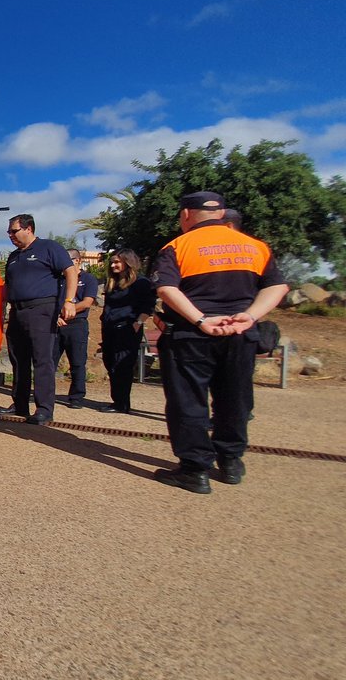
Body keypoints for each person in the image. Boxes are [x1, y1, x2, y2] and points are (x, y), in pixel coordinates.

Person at [152, 191, 288, 494]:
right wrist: (249, 316)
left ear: (186, 214)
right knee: (235, 398)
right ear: (222, 213)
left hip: (190, 336)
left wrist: (201, 319)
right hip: (240, 335)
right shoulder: (255, 247)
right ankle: (230, 461)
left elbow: (166, 289)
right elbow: (277, 286)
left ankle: (194, 469)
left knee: (188, 401)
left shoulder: (177, 246)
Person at [0, 214, 79, 424]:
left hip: (41, 309)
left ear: (29, 229)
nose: (10, 235)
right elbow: (8, 286)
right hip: (17, 312)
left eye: (14, 231)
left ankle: (44, 408)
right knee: (18, 360)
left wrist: (69, 301)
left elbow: (70, 271)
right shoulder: (14, 256)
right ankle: (20, 405)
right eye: (8, 232)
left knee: (42, 360)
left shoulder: (49, 248)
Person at [98, 249, 155, 413]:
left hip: (127, 329)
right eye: (112, 262)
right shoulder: (112, 283)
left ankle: (122, 404)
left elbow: (148, 306)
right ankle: (117, 400)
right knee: (110, 363)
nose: (114, 265)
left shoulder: (141, 282)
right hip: (110, 329)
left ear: (127, 263)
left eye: (117, 262)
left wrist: (137, 323)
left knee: (122, 365)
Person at [53, 249, 98, 408]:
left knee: (78, 362)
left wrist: (66, 311)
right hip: (57, 324)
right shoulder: (59, 279)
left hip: (77, 324)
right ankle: (47, 394)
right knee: (50, 361)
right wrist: (56, 316)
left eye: (68, 259)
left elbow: (87, 302)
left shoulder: (88, 279)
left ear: (77, 260)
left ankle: (77, 397)